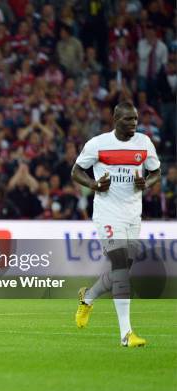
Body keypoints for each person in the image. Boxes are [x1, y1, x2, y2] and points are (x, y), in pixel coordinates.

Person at [72, 101, 161, 347]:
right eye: (127, 120)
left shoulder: (144, 143)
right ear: (115, 119)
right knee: (120, 268)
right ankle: (126, 334)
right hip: (108, 214)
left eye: (135, 119)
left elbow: (156, 172)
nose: (133, 123)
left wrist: (148, 183)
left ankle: (88, 297)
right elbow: (76, 171)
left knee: (121, 271)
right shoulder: (98, 144)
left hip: (133, 214)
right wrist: (93, 185)